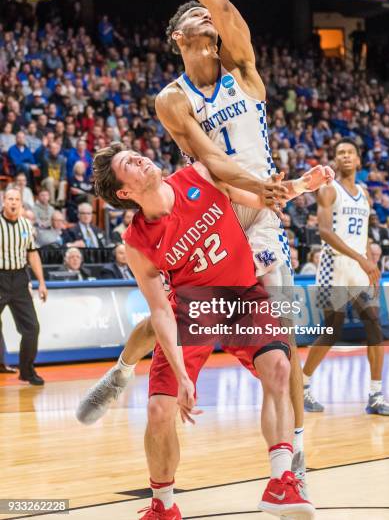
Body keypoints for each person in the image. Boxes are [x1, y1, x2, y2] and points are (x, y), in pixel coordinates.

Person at [77, 0, 334, 498]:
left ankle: (292, 452)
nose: (206, 18)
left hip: (260, 212)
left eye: (208, 16)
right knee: (173, 314)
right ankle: (122, 368)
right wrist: (265, 186)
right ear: (178, 38)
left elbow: (221, 4)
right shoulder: (171, 98)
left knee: (282, 339)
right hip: (216, 203)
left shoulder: (243, 69)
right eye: (192, 16)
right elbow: (213, 161)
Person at [78, 144, 321, 520]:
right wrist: (181, 377)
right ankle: (163, 505)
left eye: (135, 153)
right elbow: (160, 311)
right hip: (192, 311)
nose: (140, 158)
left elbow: (261, 196)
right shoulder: (138, 242)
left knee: (279, 366)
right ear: (125, 192)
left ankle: (280, 481)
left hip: (243, 295)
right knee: (160, 409)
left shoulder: (200, 175)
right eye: (129, 163)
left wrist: (303, 184)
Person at [302, 138, 389, 416]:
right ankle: (303, 384)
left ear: (358, 160)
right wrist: (361, 259)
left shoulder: (365, 193)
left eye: (350, 153)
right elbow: (325, 233)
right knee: (332, 329)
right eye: (340, 153)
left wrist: (369, 263)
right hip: (334, 266)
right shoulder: (328, 190)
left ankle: (376, 395)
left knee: (374, 325)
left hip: (358, 267)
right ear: (335, 160)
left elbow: (364, 234)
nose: (345, 156)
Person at [0, 187, 48, 385]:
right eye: (9, 199)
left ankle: (26, 371)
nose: (13, 202)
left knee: (32, 328)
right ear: (4, 201)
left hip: (20, 278)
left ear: (21, 202)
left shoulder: (26, 225)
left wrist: (41, 283)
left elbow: (33, 254)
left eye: (16, 199)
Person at [40, 141, 68, 206]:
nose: (54, 150)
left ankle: (60, 201)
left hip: (57, 181)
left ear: (59, 149)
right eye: (52, 148)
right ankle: (51, 202)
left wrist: (60, 180)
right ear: (49, 149)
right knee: (50, 180)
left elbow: (63, 173)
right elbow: (44, 175)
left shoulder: (62, 159)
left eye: (56, 148)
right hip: (46, 181)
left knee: (63, 182)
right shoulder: (45, 159)